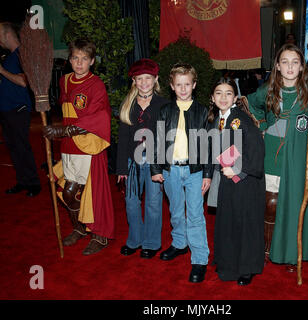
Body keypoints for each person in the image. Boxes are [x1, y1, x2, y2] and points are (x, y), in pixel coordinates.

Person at [248, 44, 308, 271]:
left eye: (294, 62)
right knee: (271, 204)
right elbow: (250, 104)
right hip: (272, 155)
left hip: (297, 158)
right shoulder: (268, 90)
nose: (289, 66)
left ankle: (292, 253)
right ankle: (266, 248)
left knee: (295, 204)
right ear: (277, 66)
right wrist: (265, 125)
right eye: (284, 62)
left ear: (302, 66)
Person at [43, 39, 115, 255]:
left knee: (87, 192)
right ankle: (79, 228)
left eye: (85, 59)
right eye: (75, 58)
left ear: (92, 61)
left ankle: (100, 235)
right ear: (70, 59)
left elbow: (98, 118)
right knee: (69, 194)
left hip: (88, 146)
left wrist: (62, 131)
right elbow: (67, 111)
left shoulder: (96, 85)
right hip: (68, 148)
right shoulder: (64, 81)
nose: (79, 63)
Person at [150, 63, 212, 283]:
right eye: (179, 85)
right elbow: (157, 141)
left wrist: (207, 174)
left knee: (195, 215)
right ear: (172, 86)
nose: (183, 88)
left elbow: (207, 145)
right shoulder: (165, 111)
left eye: (187, 84)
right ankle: (179, 243)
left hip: (195, 171)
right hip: (170, 171)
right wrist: (156, 169)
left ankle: (200, 259)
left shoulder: (202, 111)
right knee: (176, 211)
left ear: (194, 85)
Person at [207, 77, 265, 286]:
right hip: (227, 180)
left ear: (235, 97)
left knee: (245, 224)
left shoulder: (241, 119)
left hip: (245, 181)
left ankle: (247, 268)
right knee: (229, 222)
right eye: (219, 93)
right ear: (212, 97)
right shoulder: (217, 120)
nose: (223, 97)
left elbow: (257, 151)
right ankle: (228, 262)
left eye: (228, 93)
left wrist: (238, 171)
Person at [116, 58, 169, 259]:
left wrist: (164, 165)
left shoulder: (164, 104)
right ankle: (134, 239)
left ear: (155, 80)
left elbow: (166, 137)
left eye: (148, 78)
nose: (144, 82)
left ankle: (152, 243)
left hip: (155, 161)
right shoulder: (128, 104)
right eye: (140, 78)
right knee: (131, 201)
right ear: (134, 81)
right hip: (132, 161)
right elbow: (122, 138)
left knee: (154, 203)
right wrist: (121, 168)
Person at [0, 22, 41, 197]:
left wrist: (1, 71)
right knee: (14, 148)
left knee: (22, 147)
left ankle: (33, 183)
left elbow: (24, 82)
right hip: (7, 110)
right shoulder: (9, 57)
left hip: (18, 109)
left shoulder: (21, 54)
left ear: (7, 35)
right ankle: (23, 181)